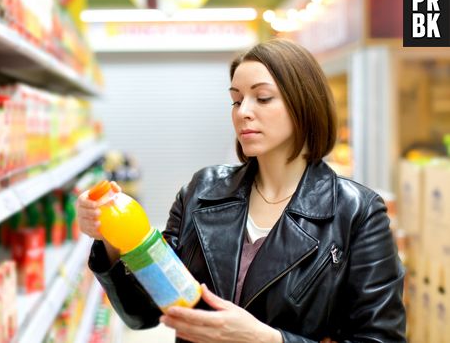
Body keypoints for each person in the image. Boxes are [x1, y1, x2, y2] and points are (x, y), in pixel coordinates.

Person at [77, 38, 406, 343]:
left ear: (304, 103)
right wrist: (111, 237)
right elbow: (144, 312)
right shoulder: (201, 191)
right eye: (236, 100)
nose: (243, 111)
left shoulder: (357, 212)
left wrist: (267, 339)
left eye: (262, 98)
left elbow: (379, 337)